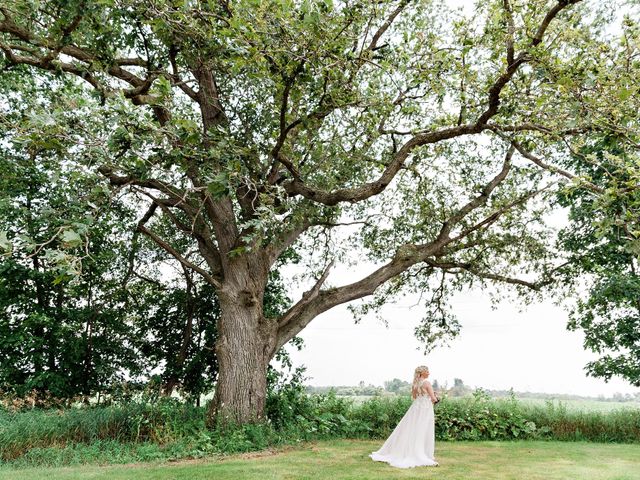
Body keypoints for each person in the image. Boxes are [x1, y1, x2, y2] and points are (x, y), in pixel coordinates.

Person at [369, 365, 439, 468]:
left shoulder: (415, 384)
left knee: (412, 429)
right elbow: (433, 399)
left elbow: (415, 397)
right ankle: (420, 453)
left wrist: (427, 395)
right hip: (425, 410)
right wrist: (436, 397)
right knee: (422, 430)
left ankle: (411, 451)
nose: (429, 373)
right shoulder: (427, 383)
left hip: (415, 409)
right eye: (427, 371)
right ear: (422, 373)